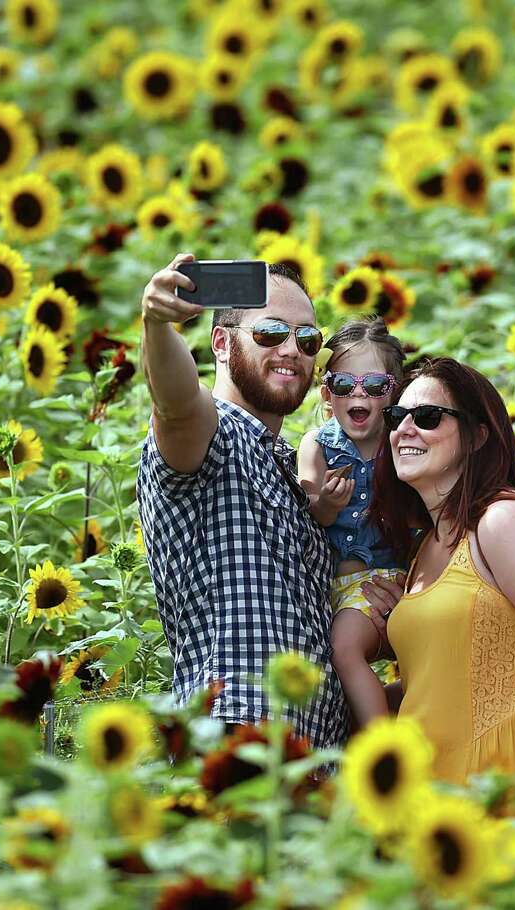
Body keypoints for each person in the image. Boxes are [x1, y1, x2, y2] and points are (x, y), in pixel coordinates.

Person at [135, 254, 405, 750]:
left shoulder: (300, 466)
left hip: (319, 756)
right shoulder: (214, 434)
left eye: (307, 340)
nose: (291, 350)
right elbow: (174, 404)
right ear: (221, 342)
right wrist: (156, 325)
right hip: (240, 739)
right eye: (270, 333)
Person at [363, 356, 515, 784]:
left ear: (477, 436)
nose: (404, 429)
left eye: (428, 416)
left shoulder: (504, 518)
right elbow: (446, 682)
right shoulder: (425, 550)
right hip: (443, 798)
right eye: (397, 416)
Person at [296, 317, 409, 728]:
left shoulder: (402, 441)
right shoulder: (318, 444)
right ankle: (375, 735)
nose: (358, 394)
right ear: (328, 394)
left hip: (394, 578)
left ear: (393, 392)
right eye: (345, 385)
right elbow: (310, 508)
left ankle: (391, 733)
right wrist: (326, 503)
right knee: (342, 658)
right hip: (337, 588)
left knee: (360, 651)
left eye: (375, 386)